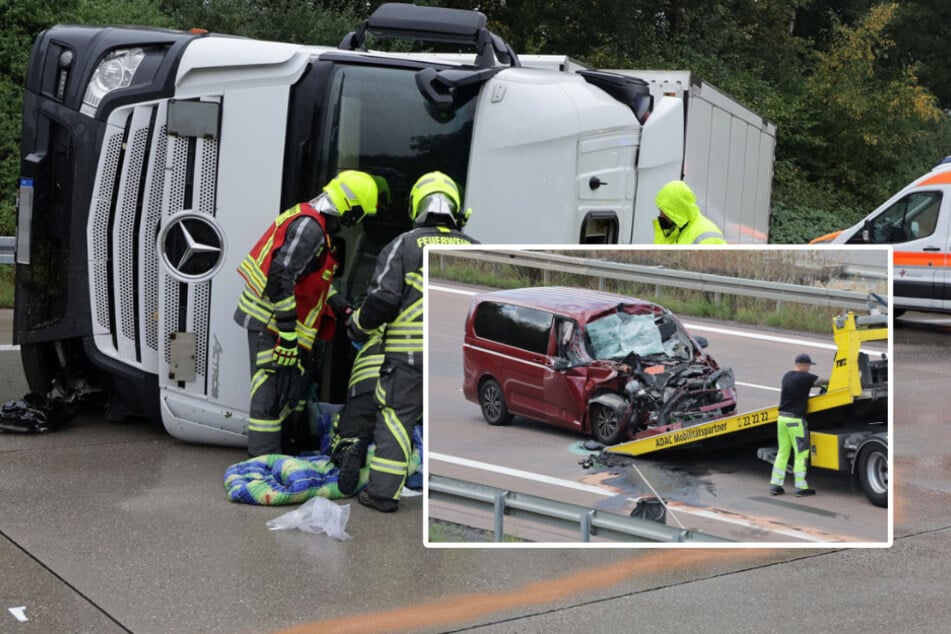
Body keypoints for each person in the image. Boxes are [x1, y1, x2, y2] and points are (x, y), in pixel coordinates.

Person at [347, 171, 478, 512]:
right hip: (456, 359)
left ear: (417, 205)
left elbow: (382, 300)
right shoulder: (477, 249)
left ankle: (382, 494)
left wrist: (357, 327)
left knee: (395, 419)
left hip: (408, 358)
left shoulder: (404, 244)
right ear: (456, 208)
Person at [234, 170, 379, 457]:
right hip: (270, 324)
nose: (356, 223)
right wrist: (287, 333)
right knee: (270, 391)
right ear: (351, 209)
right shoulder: (310, 228)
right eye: (359, 215)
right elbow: (279, 278)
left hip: (280, 325)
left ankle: (285, 449)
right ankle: (262, 459)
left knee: (290, 391)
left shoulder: (316, 225)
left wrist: (340, 306)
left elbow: (313, 280)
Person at [769, 352, 829, 497]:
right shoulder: (805, 377)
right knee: (801, 453)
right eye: (808, 366)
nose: (809, 368)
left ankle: (775, 485)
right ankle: (801, 487)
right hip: (795, 421)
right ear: (803, 365)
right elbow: (824, 381)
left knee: (783, 452)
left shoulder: (787, 376)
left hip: (782, 419)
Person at [653, 180, 727, 245]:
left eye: (665, 212)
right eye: (660, 211)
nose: (661, 215)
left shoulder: (706, 238)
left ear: (677, 211)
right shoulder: (677, 230)